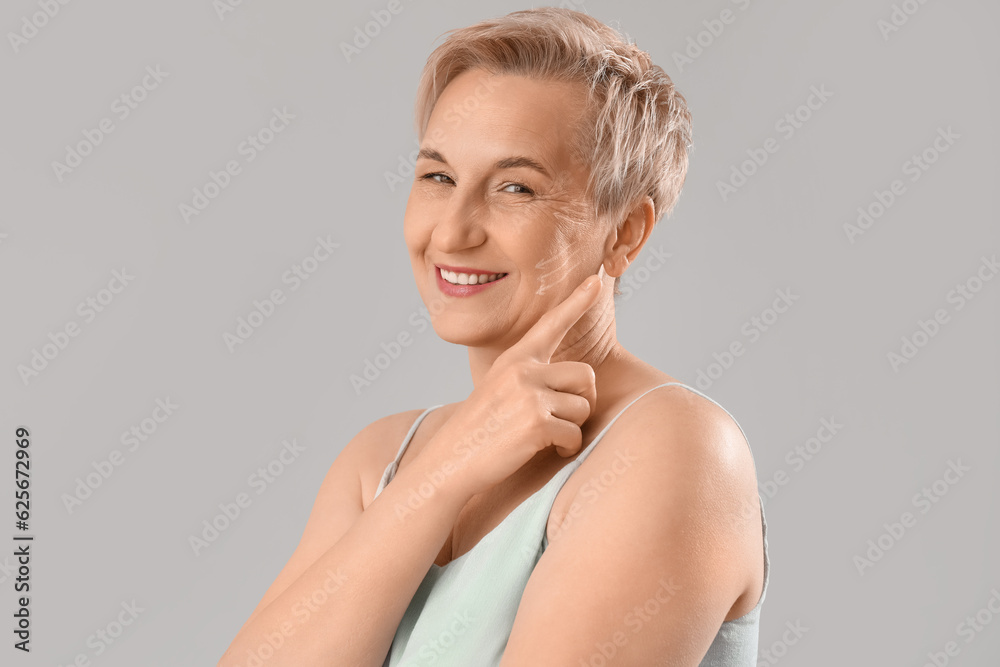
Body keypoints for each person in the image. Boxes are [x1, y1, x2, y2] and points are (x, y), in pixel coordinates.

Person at [220, 7, 768, 666]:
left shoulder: (676, 447)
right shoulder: (382, 460)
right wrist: (449, 466)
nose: (452, 232)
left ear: (626, 232)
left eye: (515, 187)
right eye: (438, 177)